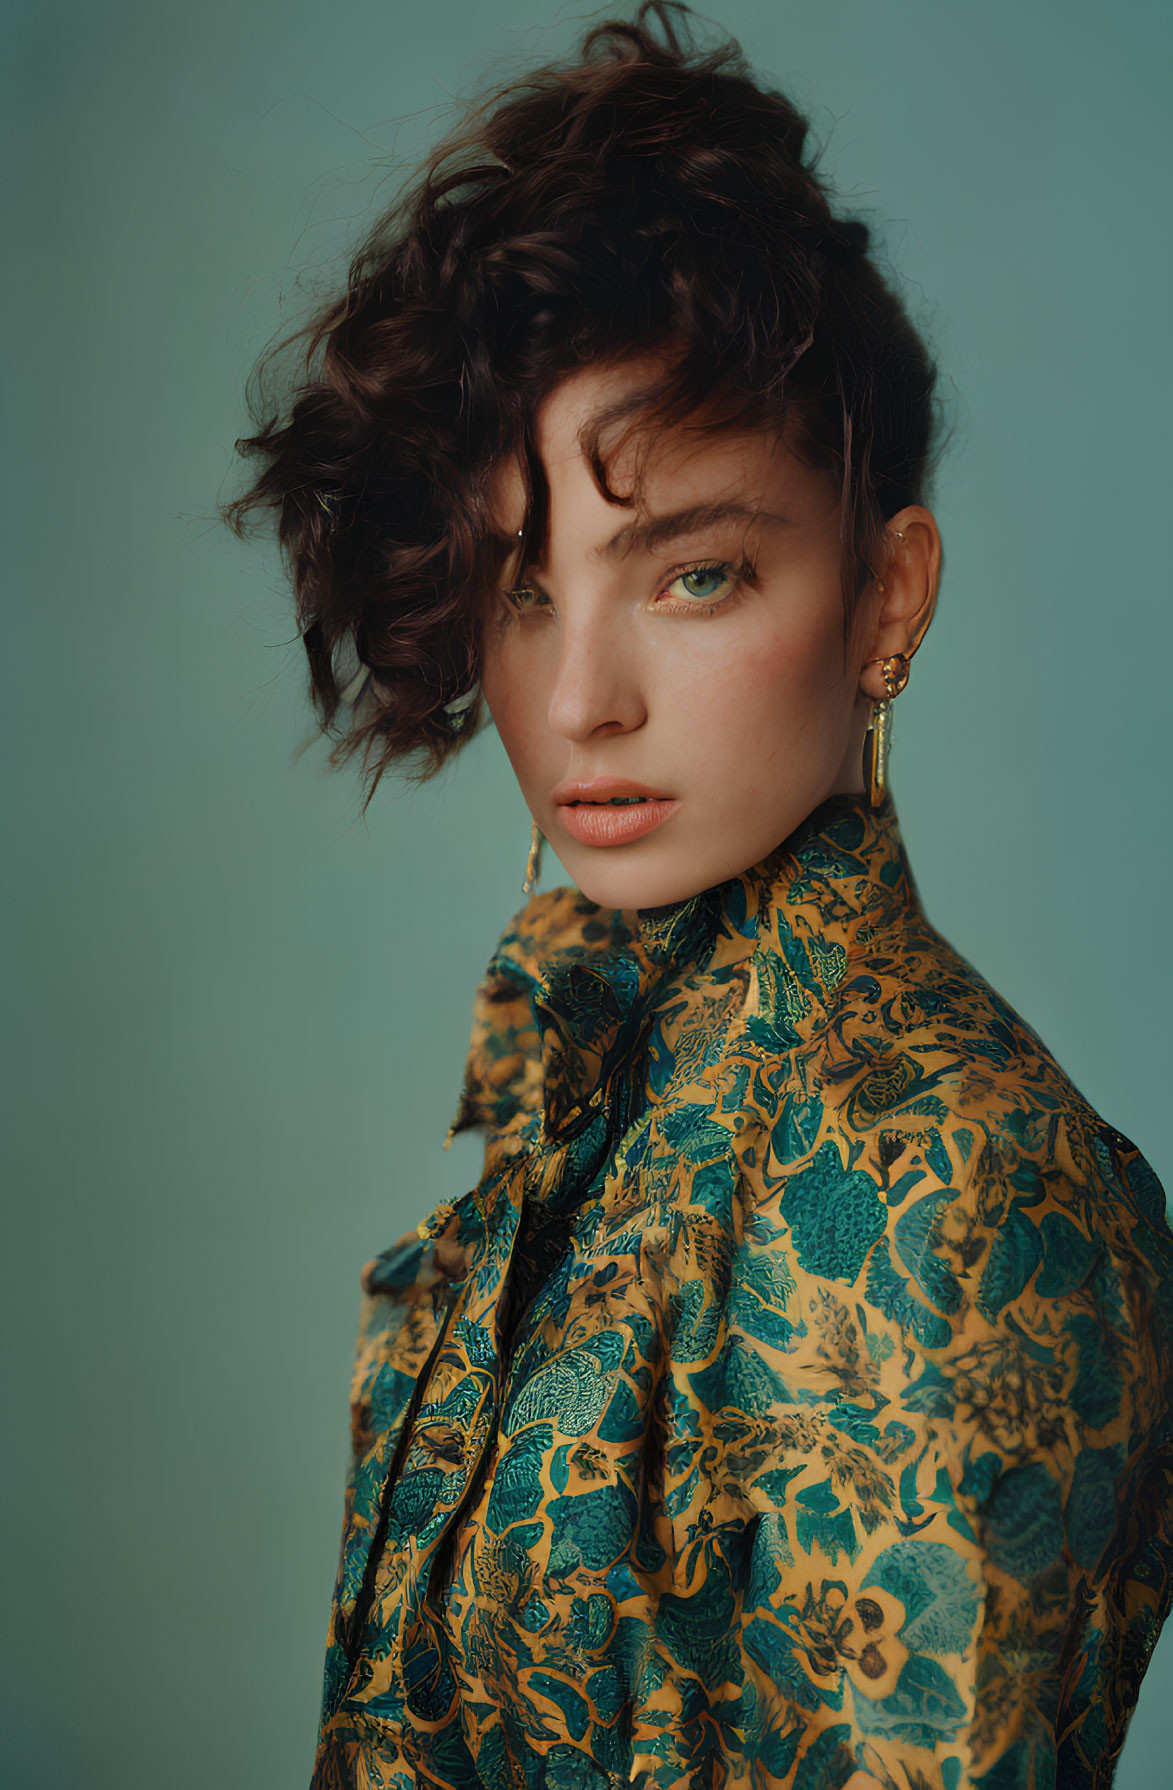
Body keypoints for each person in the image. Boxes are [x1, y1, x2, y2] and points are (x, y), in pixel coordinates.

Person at [223, 6, 1173, 1785]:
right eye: (521, 587)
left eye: (696, 572)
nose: (581, 694)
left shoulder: (952, 1182)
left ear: (885, 598)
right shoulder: (588, 1093)